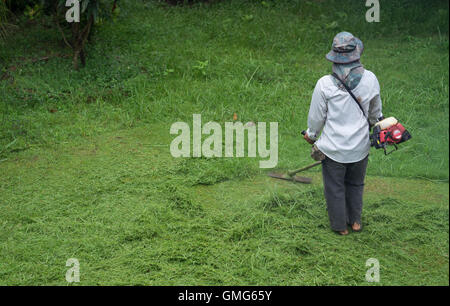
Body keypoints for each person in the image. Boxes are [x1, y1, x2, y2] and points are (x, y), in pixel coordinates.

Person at [304, 32, 383, 235]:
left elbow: (316, 118)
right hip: (360, 148)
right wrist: (376, 124)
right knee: (356, 184)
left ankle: (340, 227)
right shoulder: (370, 79)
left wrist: (311, 135)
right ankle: (355, 221)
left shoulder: (324, 84)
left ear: (334, 58)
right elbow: (375, 114)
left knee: (335, 188)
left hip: (333, 150)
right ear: (356, 55)